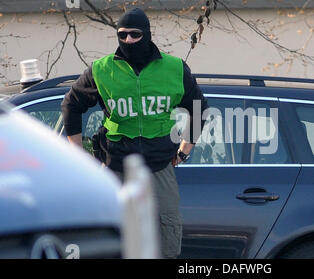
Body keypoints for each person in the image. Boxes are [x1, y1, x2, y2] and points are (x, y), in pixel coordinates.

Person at [61, 8, 208, 259]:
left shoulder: (174, 68)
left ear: (147, 35)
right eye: (122, 35)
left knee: (166, 236)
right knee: (115, 241)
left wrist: (184, 152)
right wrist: (79, 157)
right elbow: (71, 106)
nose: (128, 40)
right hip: (115, 167)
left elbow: (199, 108)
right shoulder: (102, 69)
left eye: (135, 34)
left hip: (160, 167)